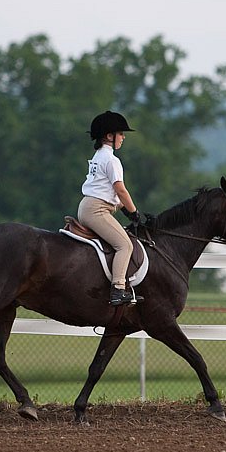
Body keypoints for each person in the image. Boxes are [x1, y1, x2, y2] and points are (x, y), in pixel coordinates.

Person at [78, 111, 144, 306]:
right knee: (125, 245)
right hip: (97, 210)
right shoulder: (112, 160)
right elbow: (120, 191)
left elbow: (110, 193)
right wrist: (135, 213)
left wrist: (126, 211)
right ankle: (117, 290)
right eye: (121, 133)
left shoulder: (99, 156)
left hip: (88, 206)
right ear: (109, 136)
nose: (123, 137)